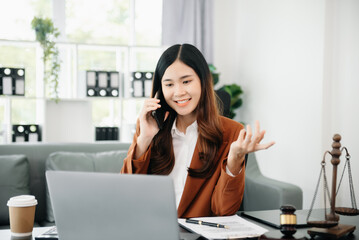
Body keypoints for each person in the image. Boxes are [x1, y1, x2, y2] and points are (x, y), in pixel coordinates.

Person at [121, 43, 275, 218]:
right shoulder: (149, 126)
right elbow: (126, 195)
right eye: (169, 84)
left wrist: (234, 161)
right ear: (160, 89)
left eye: (186, 81)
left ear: (203, 81)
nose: (178, 92)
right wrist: (144, 140)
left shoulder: (231, 132)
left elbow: (223, 210)